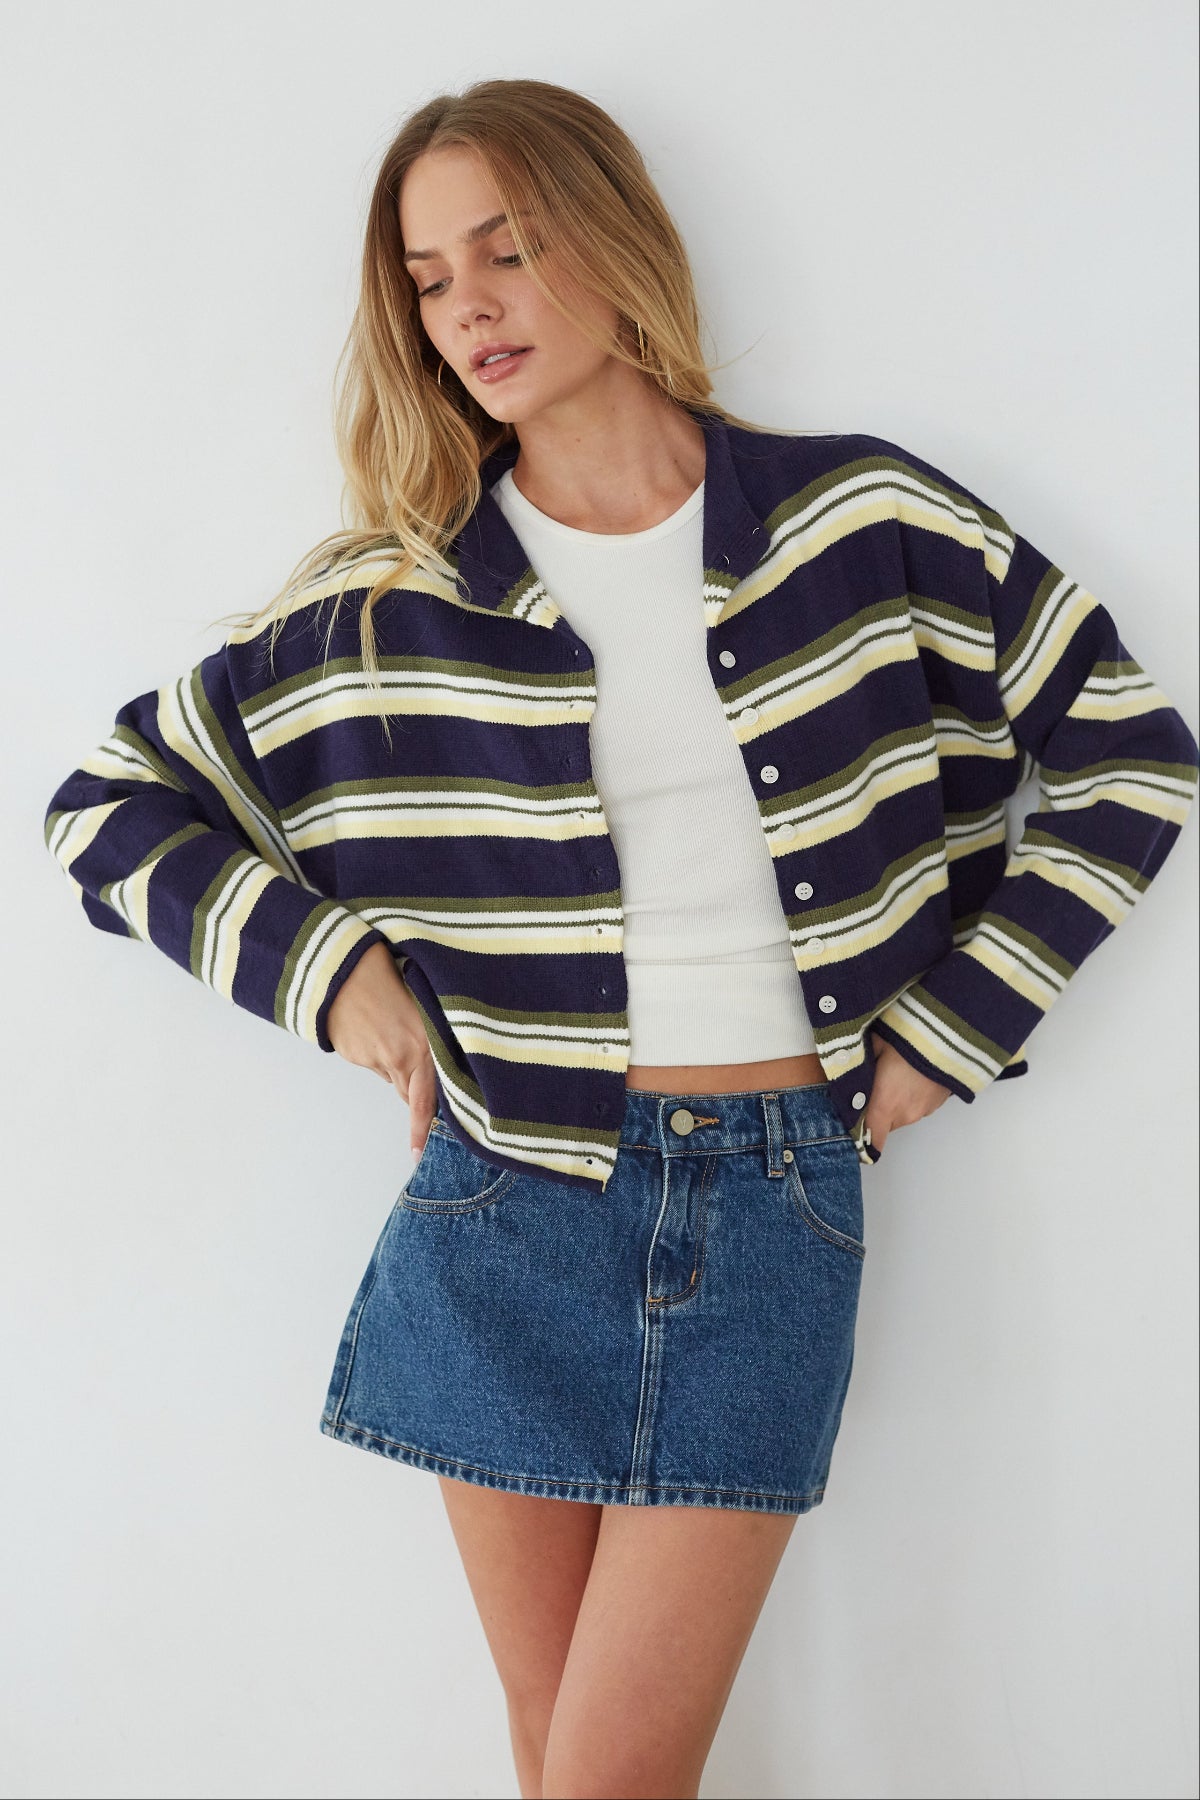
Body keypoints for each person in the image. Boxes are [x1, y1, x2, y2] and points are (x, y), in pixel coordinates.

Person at [42, 78, 1199, 1800]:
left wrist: (949, 1033)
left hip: (777, 1199)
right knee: (562, 1767)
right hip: (504, 1203)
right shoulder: (398, 598)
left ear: (612, 236)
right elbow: (108, 803)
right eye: (430, 279)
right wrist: (336, 978)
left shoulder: (857, 523)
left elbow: (1128, 749)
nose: (471, 307)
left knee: (609, 1777)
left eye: (508, 248)